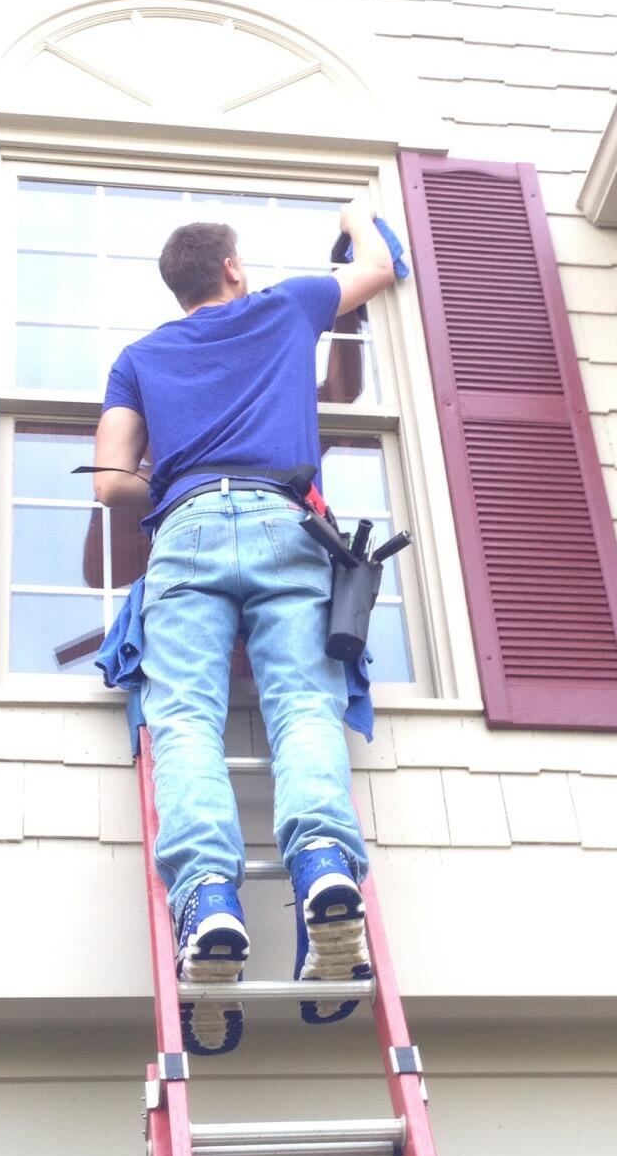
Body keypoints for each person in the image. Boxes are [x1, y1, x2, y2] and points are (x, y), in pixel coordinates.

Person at [93, 203, 399, 1056]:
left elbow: (112, 483)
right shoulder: (286, 307)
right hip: (283, 521)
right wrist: (356, 216)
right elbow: (380, 265)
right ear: (232, 270)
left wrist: (183, 487)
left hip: (185, 528)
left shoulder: (139, 358)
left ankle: (209, 902)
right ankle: (325, 869)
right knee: (302, 703)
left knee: (184, 718)